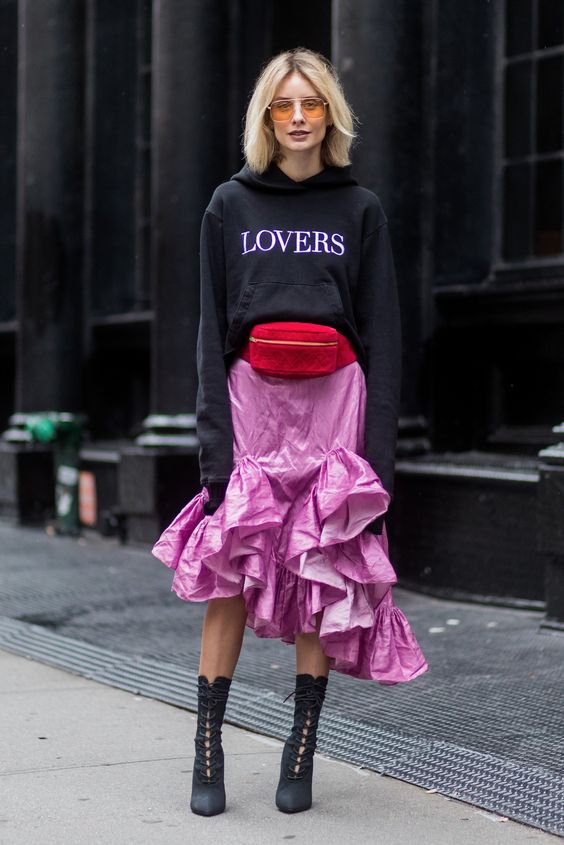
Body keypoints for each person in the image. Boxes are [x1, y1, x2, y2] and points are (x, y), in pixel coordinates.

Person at [152, 47, 428, 817]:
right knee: (232, 572)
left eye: (311, 104)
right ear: (266, 117)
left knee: (321, 576)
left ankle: (299, 751)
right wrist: (213, 453)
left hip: (337, 404)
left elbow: (385, 338)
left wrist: (379, 463)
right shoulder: (228, 206)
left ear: (329, 115)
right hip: (251, 408)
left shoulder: (360, 208)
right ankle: (207, 751)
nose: (299, 117)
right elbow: (211, 334)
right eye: (284, 104)